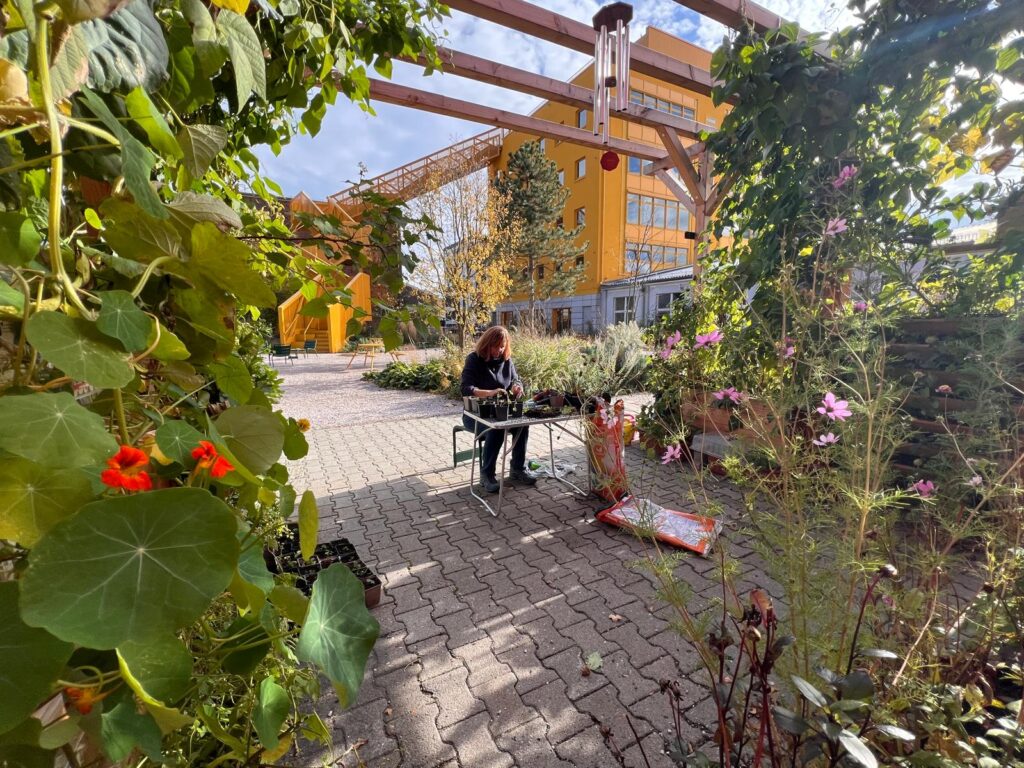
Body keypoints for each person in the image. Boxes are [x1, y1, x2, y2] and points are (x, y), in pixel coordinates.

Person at [461, 326, 536, 493]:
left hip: (500, 412)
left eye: (502, 346)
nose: (499, 350)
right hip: (475, 414)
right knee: (495, 430)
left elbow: (516, 380)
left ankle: (517, 469)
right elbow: (466, 388)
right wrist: (489, 393)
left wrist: (517, 387)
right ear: (487, 344)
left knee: (522, 425)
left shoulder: (507, 361)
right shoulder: (474, 359)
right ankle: (486, 475)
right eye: (495, 346)